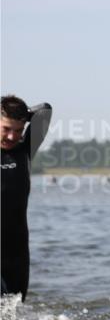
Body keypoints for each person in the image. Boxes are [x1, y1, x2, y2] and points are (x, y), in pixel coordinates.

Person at [1, 95, 53, 299]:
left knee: (14, 319)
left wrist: (22, 114)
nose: (13, 136)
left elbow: (45, 110)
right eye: (6, 128)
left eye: (18, 130)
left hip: (17, 252)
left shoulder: (25, 149)